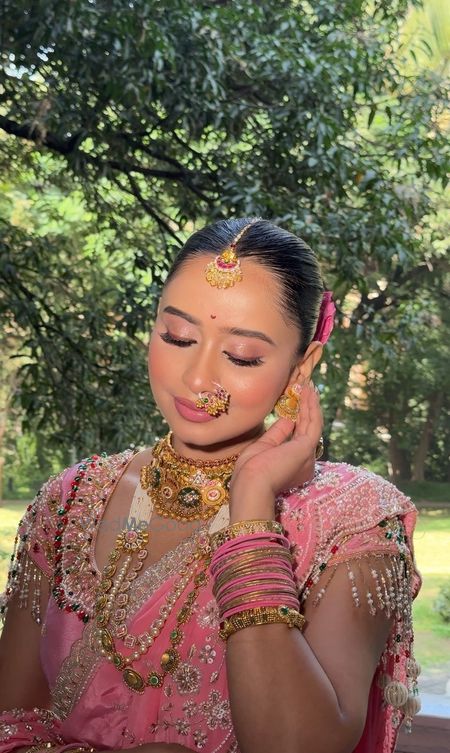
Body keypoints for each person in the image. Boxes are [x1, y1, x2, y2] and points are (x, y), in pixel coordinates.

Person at [0, 218, 421, 753]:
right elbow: (11, 721)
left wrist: (251, 510)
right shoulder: (71, 501)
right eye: (177, 337)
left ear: (301, 367)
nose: (197, 379)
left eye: (241, 355)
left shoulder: (355, 521)